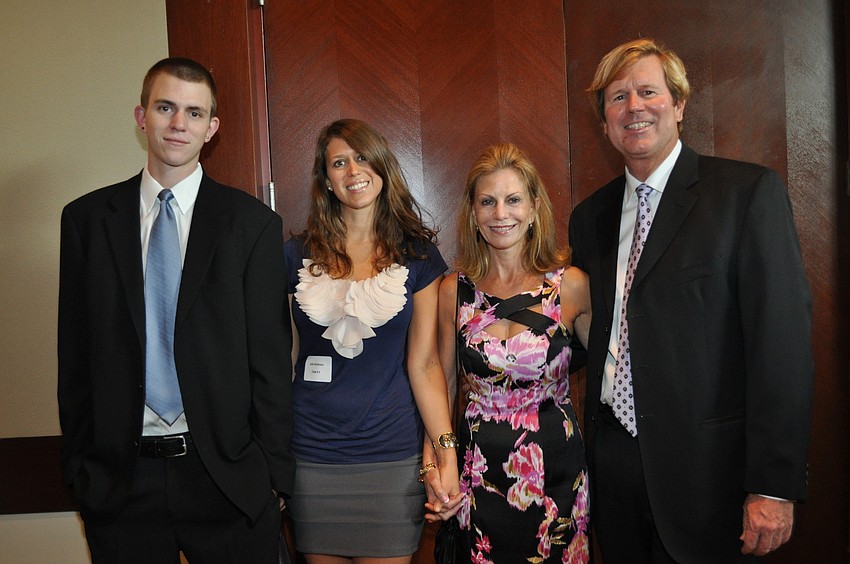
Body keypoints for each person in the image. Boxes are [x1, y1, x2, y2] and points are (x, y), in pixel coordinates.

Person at [568, 38, 814, 563]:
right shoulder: (590, 217)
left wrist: (773, 485)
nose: (633, 107)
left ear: (678, 105)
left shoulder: (745, 195)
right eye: (617, 98)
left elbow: (782, 348)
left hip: (709, 475)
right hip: (611, 465)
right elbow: (593, 328)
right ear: (604, 120)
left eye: (648, 92)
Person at [58, 57, 295, 563]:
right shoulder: (87, 221)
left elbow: (270, 364)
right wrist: (82, 470)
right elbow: (74, 357)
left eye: (193, 112)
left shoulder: (251, 225)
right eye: (165, 107)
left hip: (226, 479)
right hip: (121, 481)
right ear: (142, 117)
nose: (178, 123)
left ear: (211, 127)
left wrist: (271, 476)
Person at [283, 118, 459, 563]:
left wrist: (445, 454)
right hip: (311, 459)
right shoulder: (292, 256)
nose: (353, 171)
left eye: (362, 157)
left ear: (381, 166)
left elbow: (426, 365)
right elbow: (284, 358)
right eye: (338, 162)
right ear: (325, 180)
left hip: (391, 458)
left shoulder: (417, 256)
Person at [428, 143, 591, 561]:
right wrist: (435, 465)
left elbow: (616, 372)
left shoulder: (570, 286)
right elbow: (442, 386)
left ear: (535, 208)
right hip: (476, 472)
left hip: (555, 476)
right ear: (474, 213)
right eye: (488, 202)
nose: (501, 214)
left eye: (513, 199)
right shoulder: (453, 292)